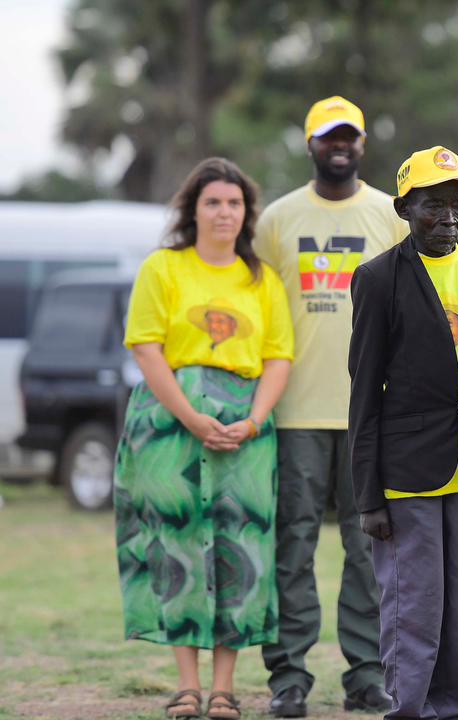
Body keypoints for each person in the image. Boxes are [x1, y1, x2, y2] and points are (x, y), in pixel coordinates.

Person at [115, 157, 294, 720]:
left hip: (246, 432)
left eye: (234, 203)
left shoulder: (260, 279)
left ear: (247, 213)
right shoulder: (164, 268)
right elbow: (146, 347)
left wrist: (255, 418)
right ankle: (186, 685)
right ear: (192, 210)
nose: (224, 212)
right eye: (212, 202)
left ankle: (224, 688)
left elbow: (277, 356)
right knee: (177, 545)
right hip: (170, 429)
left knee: (239, 548)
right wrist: (192, 417)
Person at [348, 146, 458, 720]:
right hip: (408, 475)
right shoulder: (377, 280)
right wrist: (368, 494)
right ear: (404, 209)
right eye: (431, 205)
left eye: (456, 204)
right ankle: (408, 709)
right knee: (413, 608)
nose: (447, 216)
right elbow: (364, 395)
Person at [254, 95, 404, 718]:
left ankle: (366, 676)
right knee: (292, 547)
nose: (338, 146)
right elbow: (256, 313)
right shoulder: (276, 220)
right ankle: (289, 677)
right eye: (327, 137)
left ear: (362, 144)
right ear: (309, 143)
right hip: (294, 414)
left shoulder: (389, 216)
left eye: (348, 137)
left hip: (370, 413)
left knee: (369, 550)